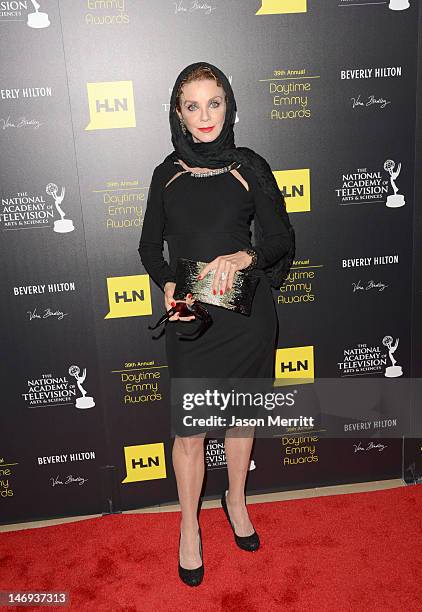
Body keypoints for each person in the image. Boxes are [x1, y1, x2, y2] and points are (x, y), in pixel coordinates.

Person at [138, 61, 295, 587]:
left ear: (229, 106)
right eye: (192, 106)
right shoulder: (167, 173)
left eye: (215, 102)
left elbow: (280, 240)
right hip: (192, 319)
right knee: (190, 431)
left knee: (241, 419)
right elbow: (147, 247)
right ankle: (188, 526)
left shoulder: (250, 165)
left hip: (247, 318)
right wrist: (164, 282)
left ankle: (236, 501)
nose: (205, 115)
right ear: (178, 115)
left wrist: (245, 257)